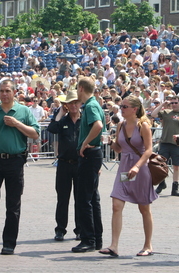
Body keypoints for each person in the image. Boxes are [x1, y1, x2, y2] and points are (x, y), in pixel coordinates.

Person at [0, 79, 40, 255]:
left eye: (8, 91)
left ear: (14, 92)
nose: (4, 94)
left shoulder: (23, 111)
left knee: (13, 204)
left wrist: (17, 124)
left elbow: (35, 133)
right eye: (2, 91)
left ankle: (9, 242)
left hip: (15, 161)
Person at [99, 95, 156, 258]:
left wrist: (137, 167)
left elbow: (149, 150)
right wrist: (110, 142)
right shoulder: (121, 125)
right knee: (116, 204)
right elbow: (119, 148)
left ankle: (148, 245)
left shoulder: (143, 125)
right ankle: (114, 245)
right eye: (121, 106)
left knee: (144, 207)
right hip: (124, 170)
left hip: (140, 170)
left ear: (134, 109)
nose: (121, 109)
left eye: (124, 107)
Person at [72, 77, 105, 253]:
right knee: (92, 198)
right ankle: (95, 238)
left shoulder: (91, 105)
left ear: (81, 88)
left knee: (84, 198)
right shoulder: (95, 104)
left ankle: (88, 238)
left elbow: (98, 125)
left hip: (89, 155)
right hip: (94, 154)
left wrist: (84, 142)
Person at [47, 89, 81, 241]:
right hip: (64, 164)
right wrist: (61, 111)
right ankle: (60, 229)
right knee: (62, 198)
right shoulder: (63, 120)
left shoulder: (85, 120)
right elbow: (52, 129)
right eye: (70, 103)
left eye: (76, 102)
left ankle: (80, 229)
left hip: (80, 163)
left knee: (80, 198)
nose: (73, 106)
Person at [151, 95, 179, 196]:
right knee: (161, 165)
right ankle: (161, 183)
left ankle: (175, 187)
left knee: (176, 166)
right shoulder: (166, 112)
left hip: (177, 144)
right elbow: (153, 114)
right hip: (164, 142)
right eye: (172, 103)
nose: (173, 105)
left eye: (175, 103)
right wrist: (162, 105)